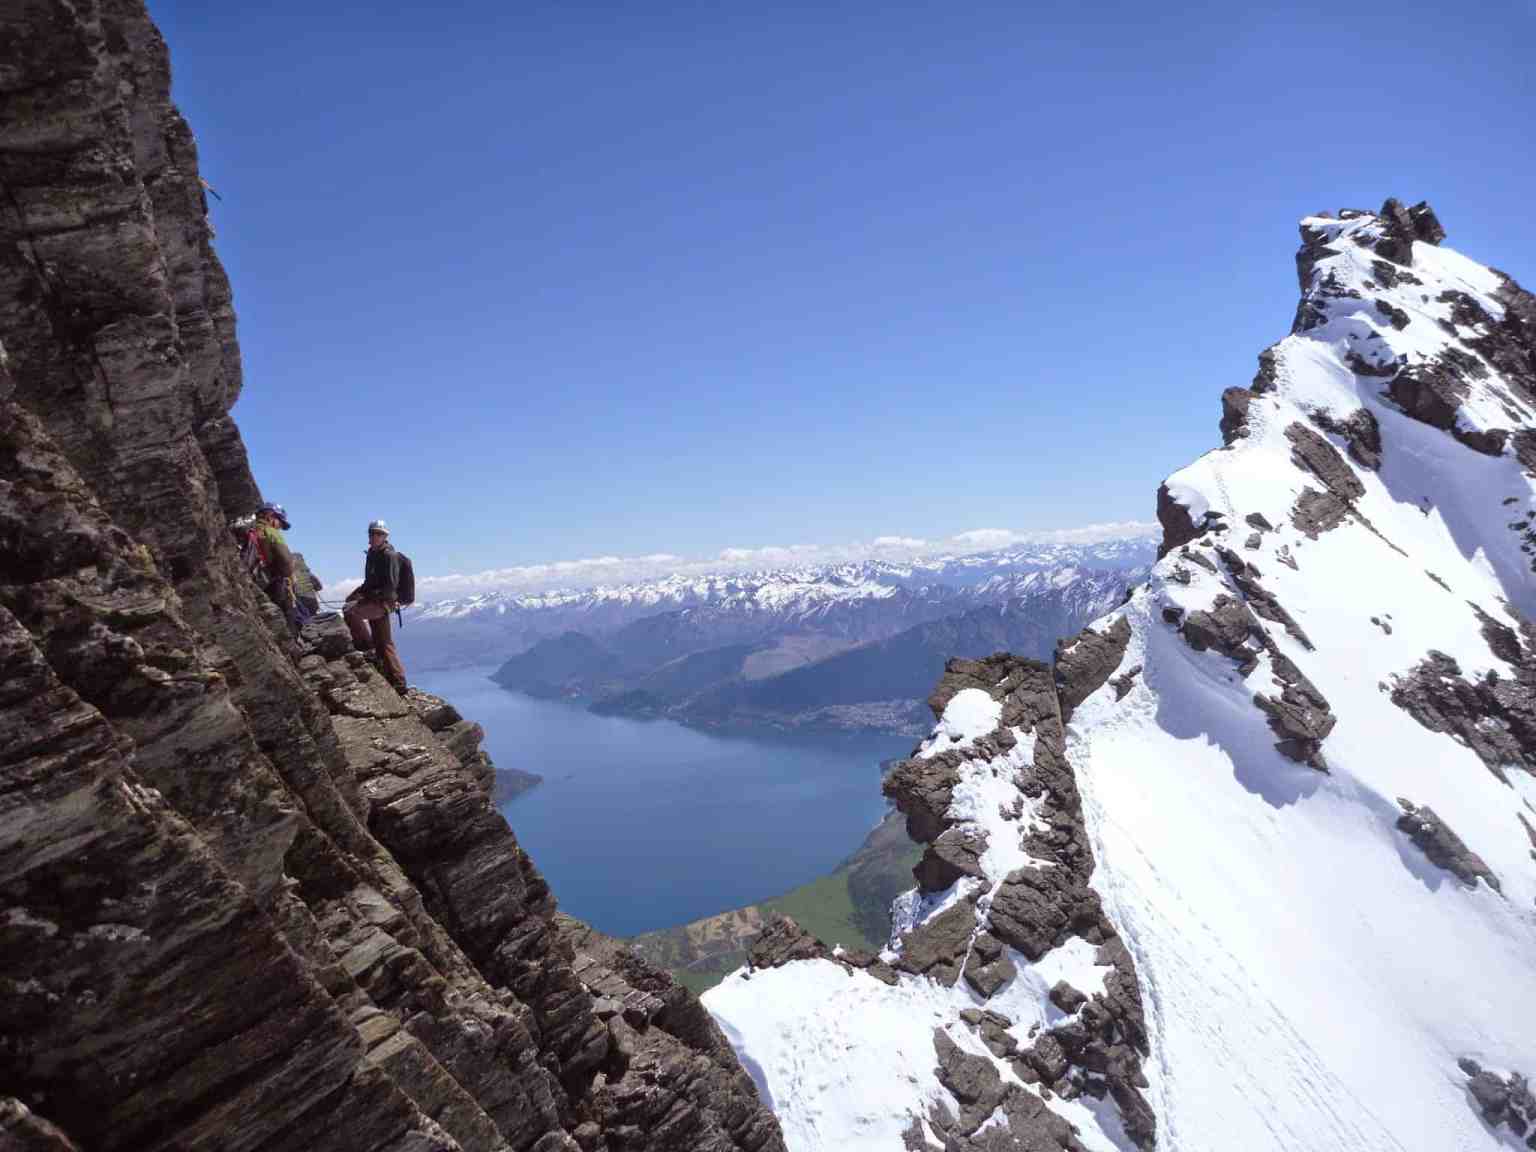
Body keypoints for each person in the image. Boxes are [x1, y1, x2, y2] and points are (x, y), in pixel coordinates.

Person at [344, 519, 408, 692]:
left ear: (385, 536)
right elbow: (370, 581)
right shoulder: (372, 554)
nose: (374, 536)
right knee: (384, 642)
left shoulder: (389, 556)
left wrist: (366, 596)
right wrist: (356, 593)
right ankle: (397, 681)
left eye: (379, 534)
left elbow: (390, 587)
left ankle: (366, 649)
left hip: (383, 603)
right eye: (372, 533)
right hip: (377, 601)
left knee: (351, 612)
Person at [254, 502, 301, 637]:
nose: (279, 527)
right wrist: (291, 577)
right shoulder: (271, 532)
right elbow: (285, 561)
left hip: (260, 583)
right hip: (277, 583)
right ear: (270, 515)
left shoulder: (250, 529)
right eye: (280, 521)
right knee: (289, 622)